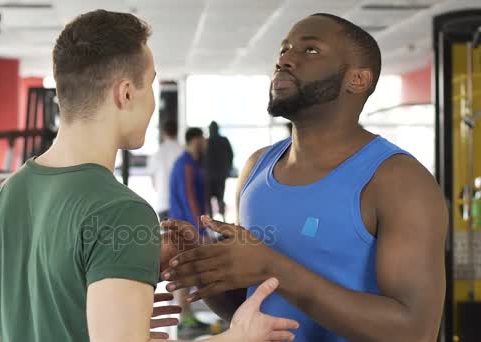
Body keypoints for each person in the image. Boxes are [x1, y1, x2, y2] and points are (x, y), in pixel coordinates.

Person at [0, 10, 299, 342]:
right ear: (125, 93)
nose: (153, 102)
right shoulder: (121, 211)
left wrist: (111, 296)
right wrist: (238, 336)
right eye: (151, 84)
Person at [161, 13, 447, 342]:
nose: (285, 59)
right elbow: (254, 308)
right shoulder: (256, 168)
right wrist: (203, 264)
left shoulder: (400, 181)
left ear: (357, 79)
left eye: (310, 50)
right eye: (284, 49)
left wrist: (273, 267)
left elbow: (416, 332)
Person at [167, 127, 211, 337]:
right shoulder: (185, 164)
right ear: (195, 140)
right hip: (185, 229)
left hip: (189, 227)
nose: (205, 142)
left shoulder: (192, 164)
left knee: (187, 273)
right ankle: (185, 321)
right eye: (203, 139)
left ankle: (187, 317)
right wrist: (200, 229)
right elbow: (189, 199)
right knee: (183, 274)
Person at [147, 119, 183, 221]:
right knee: (181, 235)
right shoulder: (183, 151)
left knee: (166, 235)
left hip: (162, 201)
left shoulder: (157, 153)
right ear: (177, 131)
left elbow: (153, 183)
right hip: (180, 203)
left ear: (163, 133)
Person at [205, 121, 233, 221]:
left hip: (211, 176)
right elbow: (230, 156)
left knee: (212, 200)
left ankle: (214, 220)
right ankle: (221, 220)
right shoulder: (224, 141)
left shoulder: (207, 141)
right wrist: (227, 169)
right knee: (219, 199)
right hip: (219, 175)